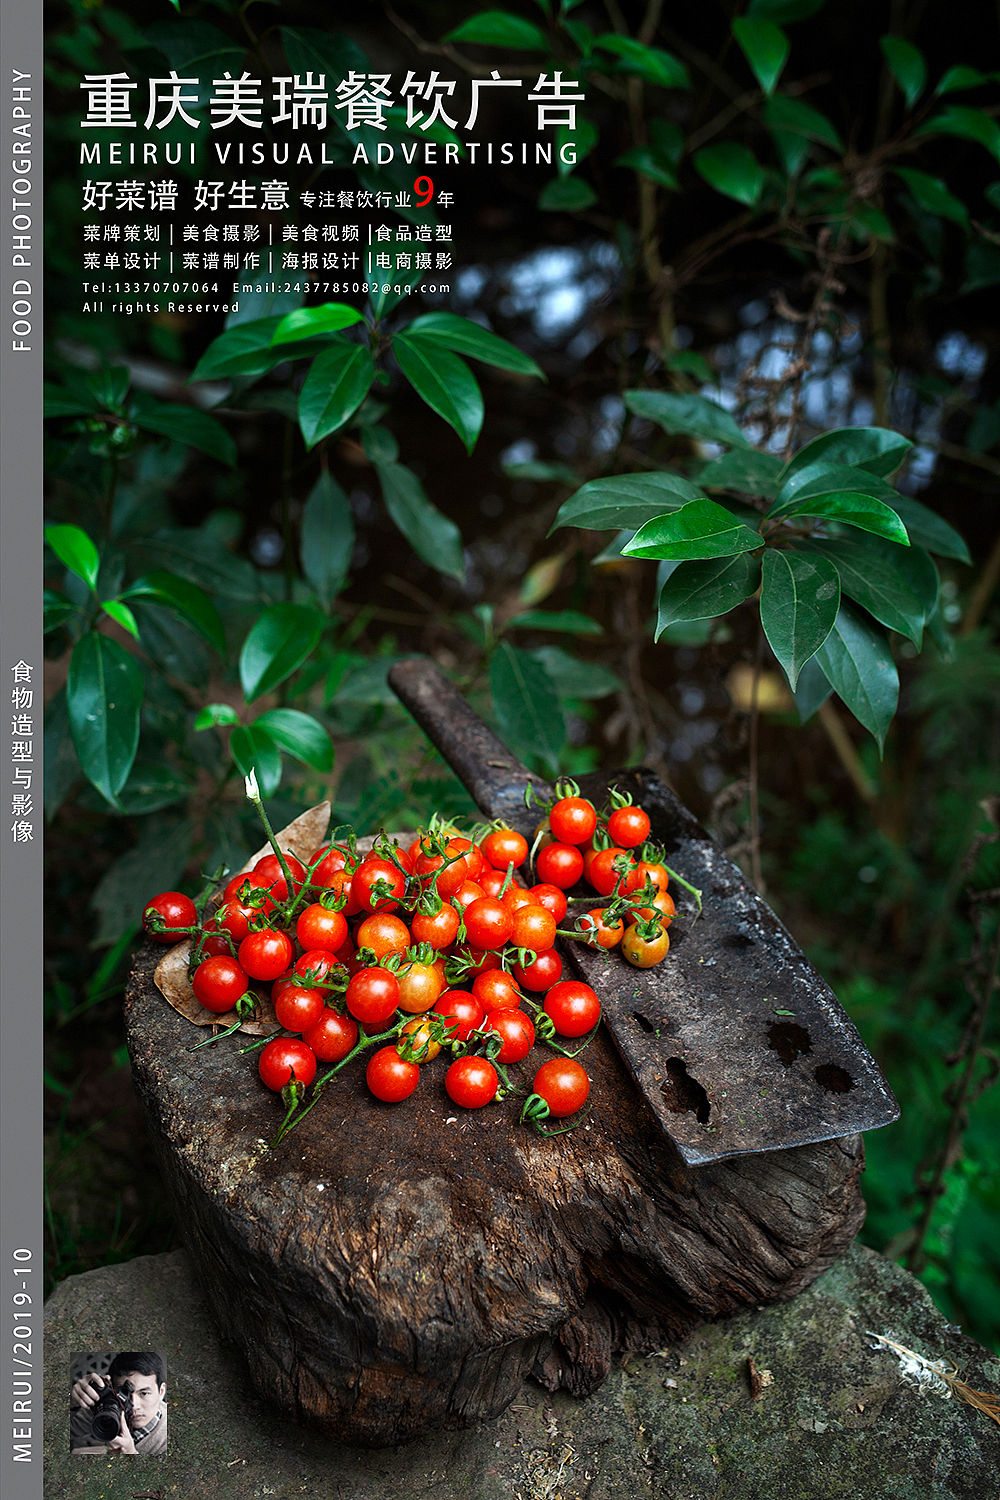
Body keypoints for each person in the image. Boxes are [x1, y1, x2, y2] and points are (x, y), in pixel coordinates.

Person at [69, 1351, 167, 1455]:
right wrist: (71, 1405)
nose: (134, 1406)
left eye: (144, 1393)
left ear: (161, 1392)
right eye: (124, 1394)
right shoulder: (106, 1409)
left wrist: (131, 1454)